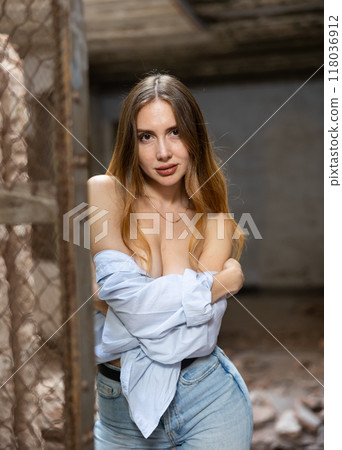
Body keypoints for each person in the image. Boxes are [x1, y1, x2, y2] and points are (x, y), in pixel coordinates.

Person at [87, 73, 253, 449]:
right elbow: (124, 304)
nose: (163, 152)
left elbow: (181, 341)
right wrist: (220, 285)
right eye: (146, 136)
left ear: (193, 137)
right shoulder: (105, 192)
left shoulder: (216, 223)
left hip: (208, 403)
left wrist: (125, 305)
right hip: (120, 417)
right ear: (132, 143)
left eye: (175, 132)